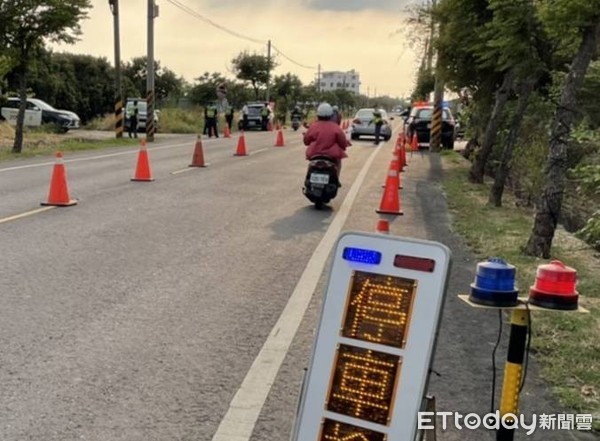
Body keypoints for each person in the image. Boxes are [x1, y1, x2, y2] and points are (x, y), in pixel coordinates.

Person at [303, 102, 350, 175]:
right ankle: (336, 179)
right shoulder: (336, 127)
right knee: (338, 162)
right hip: (331, 155)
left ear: (318, 115)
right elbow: (342, 143)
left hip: (314, 153)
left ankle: (309, 177)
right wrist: (344, 146)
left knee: (311, 165)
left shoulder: (313, 126)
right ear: (331, 115)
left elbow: (306, 141)